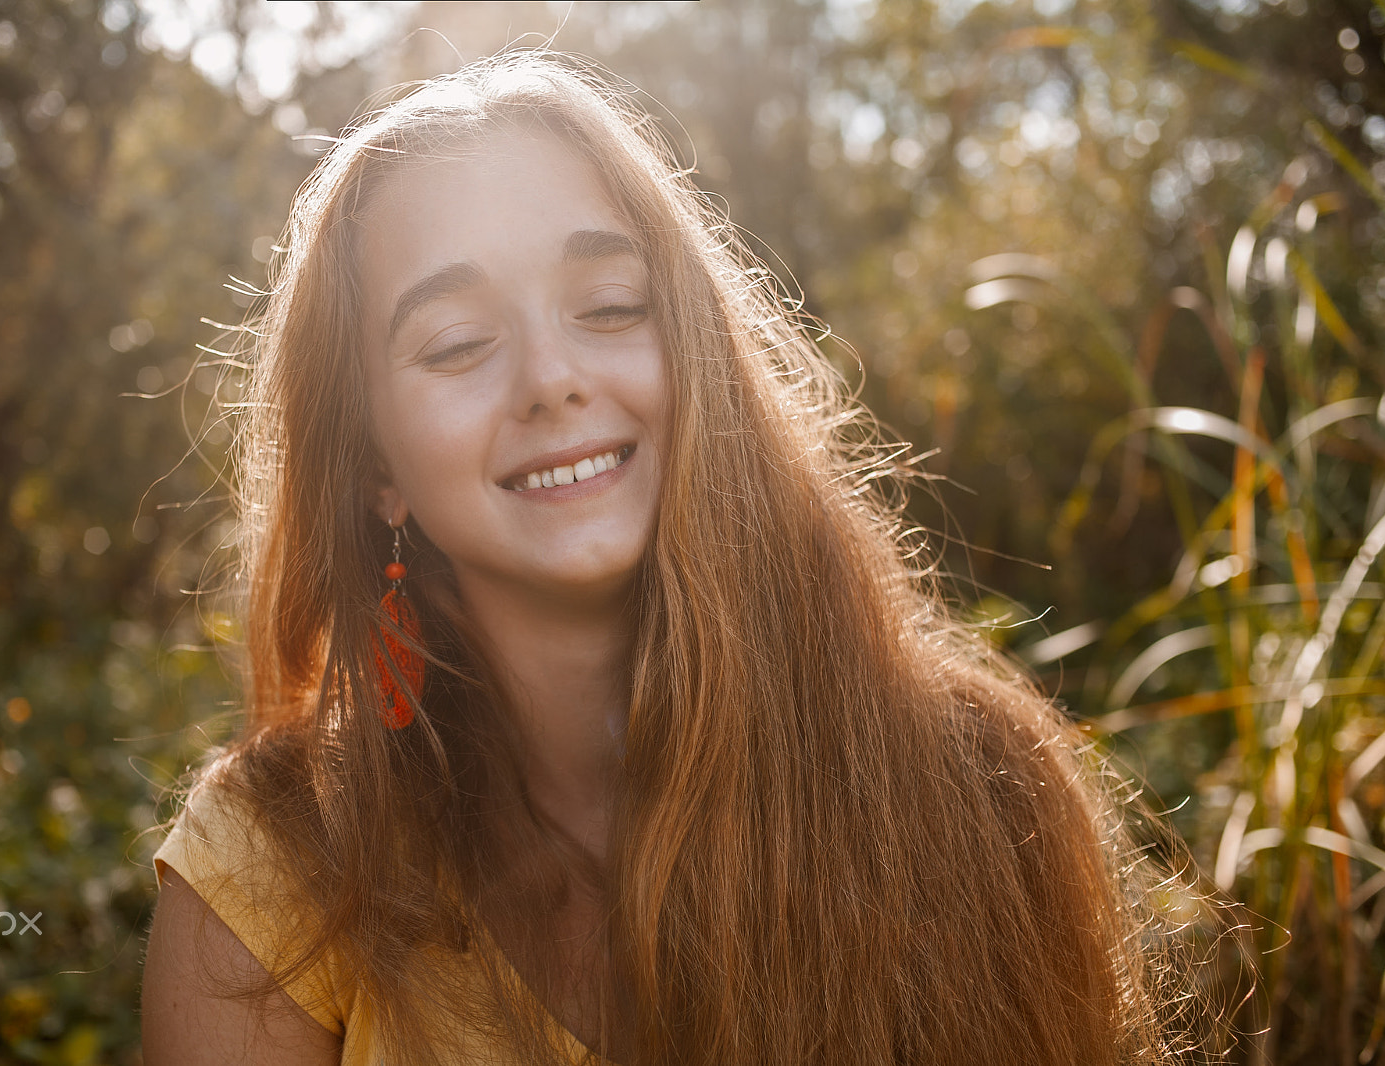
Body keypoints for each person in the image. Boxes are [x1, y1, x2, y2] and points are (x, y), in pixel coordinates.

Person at [140, 51, 1228, 1066]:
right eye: (458, 341)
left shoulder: (978, 795)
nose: (551, 377)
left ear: (696, 351)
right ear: (374, 465)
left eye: (611, 306)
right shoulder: (279, 860)